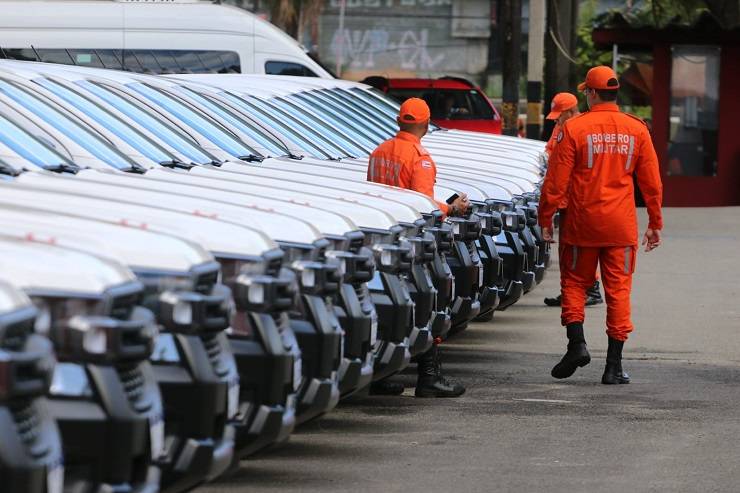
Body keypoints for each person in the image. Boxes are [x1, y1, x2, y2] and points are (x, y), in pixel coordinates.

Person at [538, 66, 663, 385]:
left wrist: (546, 219)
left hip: (582, 223)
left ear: (591, 93)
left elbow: (555, 182)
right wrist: (654, 222)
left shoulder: (574, 129)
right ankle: (614, 367)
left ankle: (577, 344)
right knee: (619, 291)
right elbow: (651, 182)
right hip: (620, 226)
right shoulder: (637, 129)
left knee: (575, 283)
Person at [367, 97, 468, 398]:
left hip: (384, 239)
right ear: (425, 123)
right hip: (412, 241)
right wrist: (453, 207)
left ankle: (380, 374)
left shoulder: (378, 152)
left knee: (388, 305)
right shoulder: (419, 157)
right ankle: (429, 377)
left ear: (400, 121)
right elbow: (423, 205)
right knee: (428, 302)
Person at [542, 92, 604, 308]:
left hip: (574, 198)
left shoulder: (578, 128)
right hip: (564, 197)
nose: (557, 119)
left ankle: (591, 288)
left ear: (570, 111)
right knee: (567, 252)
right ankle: (568, 291)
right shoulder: (563, 127)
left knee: (580, 250)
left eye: (560, 115)